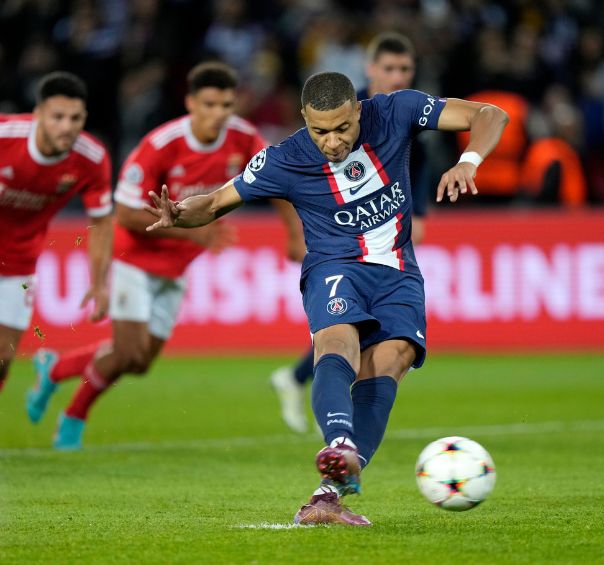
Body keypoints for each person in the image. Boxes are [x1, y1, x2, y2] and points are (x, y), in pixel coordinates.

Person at [145, 71, 508, 525]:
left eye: (342, 128)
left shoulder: (395, 111)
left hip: (398, 270)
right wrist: (179, 213)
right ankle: (339, 442)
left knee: (393, 359)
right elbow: (217, 201)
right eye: (320, 131)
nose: (332, 142)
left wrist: (470, 160)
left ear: (358, 110)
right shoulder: (284, 159)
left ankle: (326, 498)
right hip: (335, 267)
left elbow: (490, 114)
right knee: (337, 342)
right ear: (304, 120)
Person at [24, 62, 294, 450]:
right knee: (127, 351)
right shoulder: (160, 145)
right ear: (190, 103)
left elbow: (277, 176)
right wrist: (193, 228)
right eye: (210, 104)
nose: (218, 113)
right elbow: (126, 213)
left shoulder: (242, 137)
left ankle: (56, 368)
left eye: (226, 105)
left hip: (177, 267)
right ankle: (73, 418)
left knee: (140, 362)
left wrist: (293, 231)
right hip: (134, 258)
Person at [269, 32, 430, 434]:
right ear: (370, 70)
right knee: (344, 336)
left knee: (374, 344)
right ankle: (323, 409)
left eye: (405, 69)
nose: (397, 76)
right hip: (339, 253)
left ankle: (333, 423)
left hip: (386, 248)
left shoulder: (405, 113)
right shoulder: (337, 109)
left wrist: (419, 210)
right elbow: (297, 171)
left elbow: (416, 164)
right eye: (389, 68)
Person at [0, 72, 112, 396]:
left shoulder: (91, 159)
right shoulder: (6, 135)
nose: (67, 126)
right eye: (57, 117)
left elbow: (102, 221)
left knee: (4, 357)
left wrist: (98, 283)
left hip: (19, 263)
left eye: (75, 118)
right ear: (38, 115)